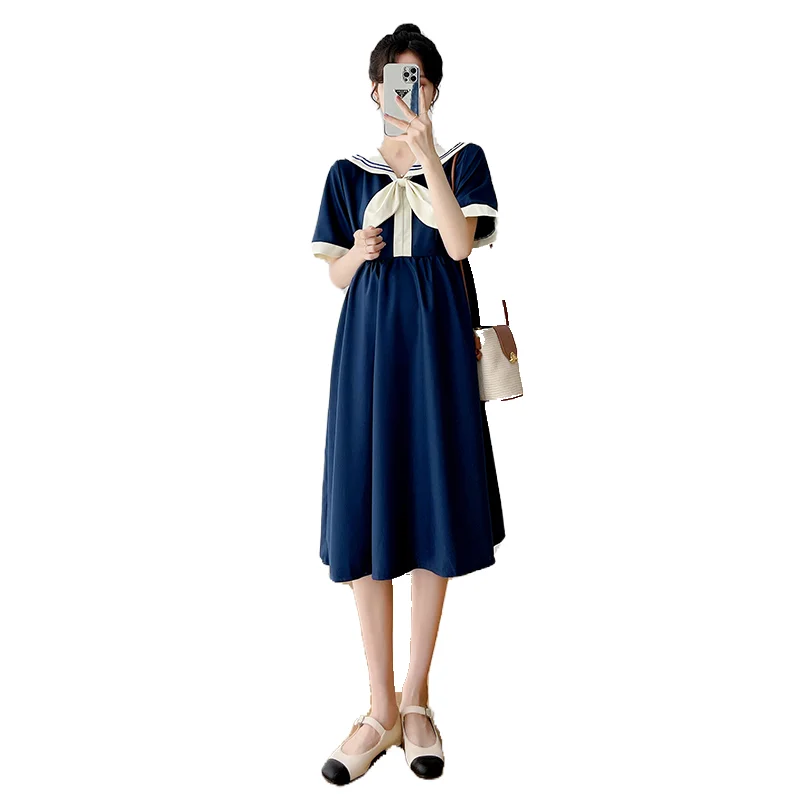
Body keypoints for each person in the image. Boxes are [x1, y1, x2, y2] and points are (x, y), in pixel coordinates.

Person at [311, 23, 506, 784]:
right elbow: (333, 275)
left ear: (434, 90)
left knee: (431, 502)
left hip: (437, 352)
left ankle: (417, 700)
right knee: (367, 506)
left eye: (418, 79)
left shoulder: (463, 161)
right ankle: (380, 708)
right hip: (368, 353)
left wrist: (426, 156)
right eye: (395, 79)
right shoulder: (346, 174)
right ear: (374, 91)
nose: (406, 91)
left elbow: (457, 245)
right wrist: (357, 255)